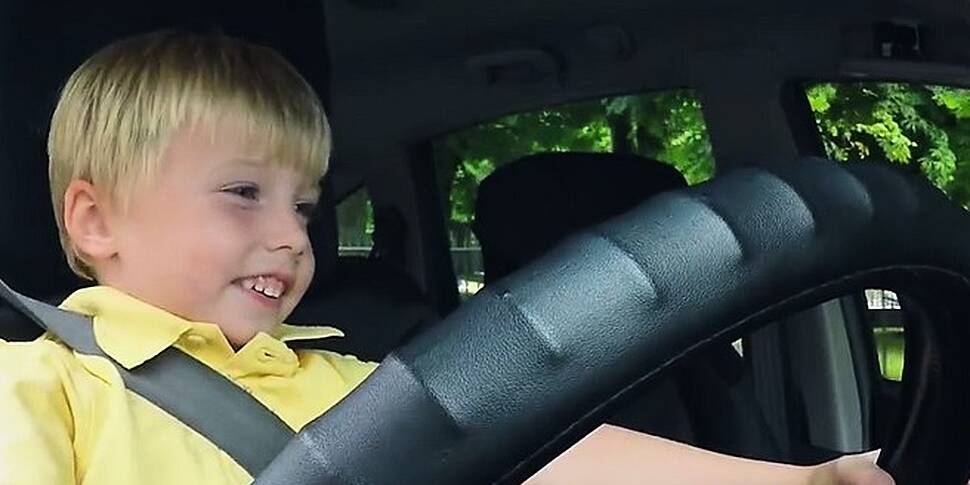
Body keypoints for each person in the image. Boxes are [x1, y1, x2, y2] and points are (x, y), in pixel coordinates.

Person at [0, 30, 894, 485]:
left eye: (306, 206)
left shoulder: (339, 378)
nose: (292, 236)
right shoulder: (40, 385)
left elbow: (554, 451)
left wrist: (794, 478)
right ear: (95, 221)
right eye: (244, 194)